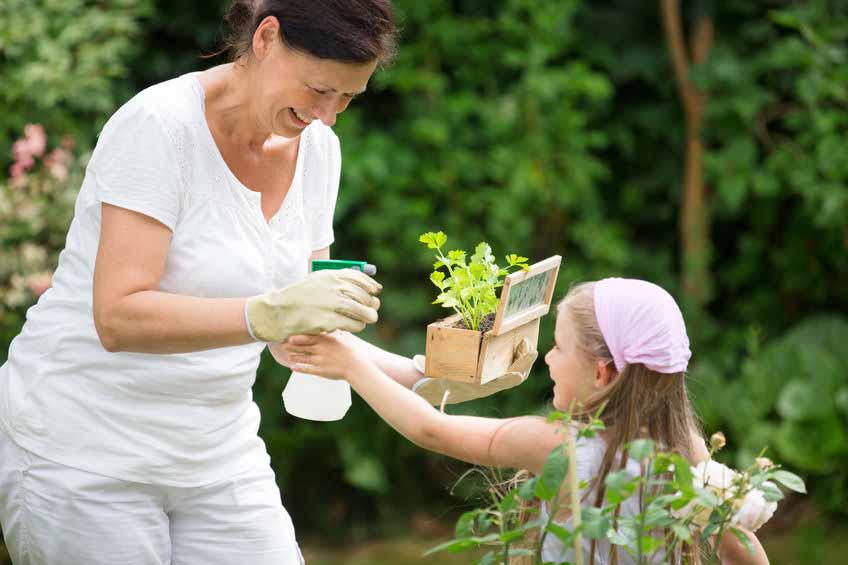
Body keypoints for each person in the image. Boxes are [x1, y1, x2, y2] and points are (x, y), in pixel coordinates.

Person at [0, 1, 396, 563]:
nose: (329, 115)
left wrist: (425, 375)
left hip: (216, 455)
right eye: (318, 89)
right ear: (266, 38)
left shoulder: (317, 149)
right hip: (83, 451)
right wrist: (269, 313)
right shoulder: (161, 126)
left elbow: (298, 331)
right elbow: (118, 316)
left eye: (347, 98)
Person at [281, 278, 770, 564]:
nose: (548, 360)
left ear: (601, 373)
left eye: (557, 348)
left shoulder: (559, 445)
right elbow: (743, 545)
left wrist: (348, 365)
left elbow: (432, 428)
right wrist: (348, 352)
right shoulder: (686, 452)